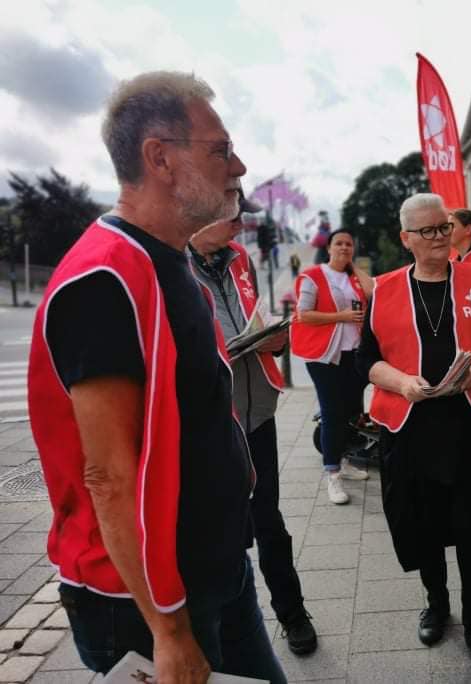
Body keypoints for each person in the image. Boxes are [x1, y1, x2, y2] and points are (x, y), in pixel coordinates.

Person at [27, 71, 286, 682]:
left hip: (214, 569)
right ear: (160, 157)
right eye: (221, 149)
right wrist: (167, 630)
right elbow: (109, 475)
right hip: (148, 603)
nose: (239, 165)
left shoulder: (173, 262)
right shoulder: (105, 278)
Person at [357, 193, 471, 676]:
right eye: (427, 231)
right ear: (405, 239)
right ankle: (436, 603)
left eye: (444, 227)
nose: (439, 238)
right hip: (411, 428)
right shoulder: (383, 289)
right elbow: (366, 361)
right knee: (422, 524)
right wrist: (403, 383)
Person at [188, 192, 317, 656]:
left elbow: (250, 316)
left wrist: (274, 339)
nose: (243, 226)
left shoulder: (238, 257)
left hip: (257, 411)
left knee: (269, 519)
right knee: (221, 528)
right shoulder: (168, 264)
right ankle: (226, 624)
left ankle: (293, 613)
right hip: (209, 423)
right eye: (235, 218)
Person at [292, 229, 373, 505]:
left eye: (349, 244)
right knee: (332, 412)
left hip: (353, 353)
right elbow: (304, 314)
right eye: (338, 243)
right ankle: (333, 474)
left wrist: (352, 266)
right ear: (328, 247)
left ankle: (345, 460)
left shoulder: (353, 277)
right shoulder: (313, 275)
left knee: (353, 411)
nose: (344, 248)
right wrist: (341, 316)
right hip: (325, 355)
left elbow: (373, 291)